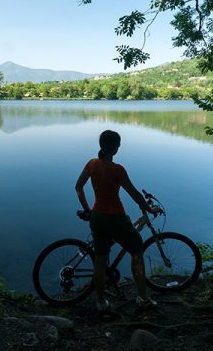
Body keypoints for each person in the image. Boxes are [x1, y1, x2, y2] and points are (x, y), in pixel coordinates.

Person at [75, 129, 161, 312]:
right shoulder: (118, 170)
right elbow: (135, 194)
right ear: (115, 148)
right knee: (137, 250)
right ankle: (143, 298)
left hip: (97, 217)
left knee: (100, 260)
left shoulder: (92, 164)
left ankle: (101, 302)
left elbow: (78, 187)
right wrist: (149, 209)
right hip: (115, 217)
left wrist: (87, 209)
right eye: (118, 145)